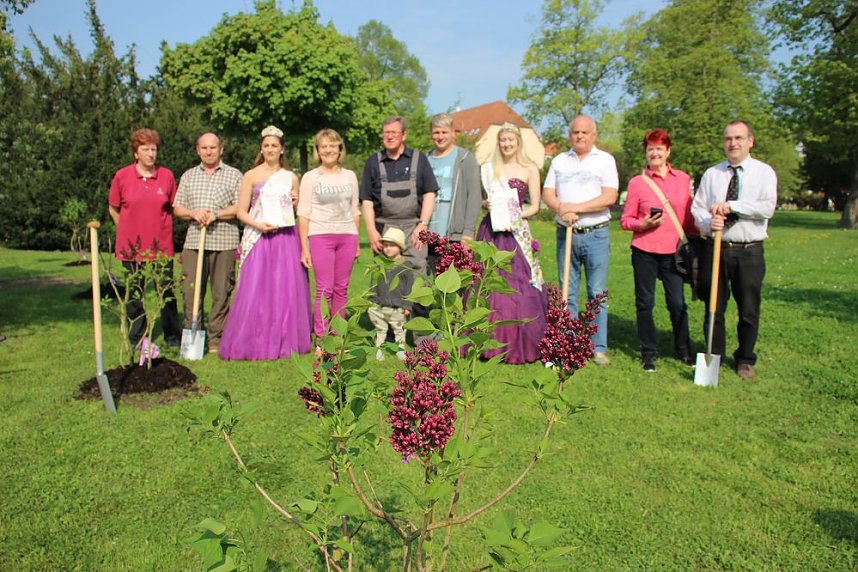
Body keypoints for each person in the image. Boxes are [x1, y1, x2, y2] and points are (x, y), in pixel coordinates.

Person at [692, 120, 777, 380]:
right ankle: (714, 357)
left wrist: (733, 206)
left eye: (739, 138)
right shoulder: (712, 174)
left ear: (750, 141)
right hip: (717, 248)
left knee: (749, 308)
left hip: (749, 250)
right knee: (714, 306)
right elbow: (698, 208)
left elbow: (767, 208)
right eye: (728, 138)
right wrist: (708, 222)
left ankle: (745, 359)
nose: (733, 143)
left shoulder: (764, 173)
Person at [219, 125, 312, 360]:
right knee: (257, 290)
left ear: (282, 149)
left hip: (285, 238)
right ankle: (255, 340)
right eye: (266, 145)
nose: (270, 149)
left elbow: (296, 211)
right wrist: (258, 224)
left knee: (285, 289)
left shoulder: (291, 177)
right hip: (259, 237)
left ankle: (284, 339)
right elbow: (241, 211)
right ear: (261, 149)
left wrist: (294, 202)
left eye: (274, 146)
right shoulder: (250, 175)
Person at [542, 115, 618, 367]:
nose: (580, 136)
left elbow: (609, 196)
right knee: (567, 292)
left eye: (585, 132)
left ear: (594, 135)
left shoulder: (605, 160)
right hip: (566, 232)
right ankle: (570, 343)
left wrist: (576, 207)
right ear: (570, 135)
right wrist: (561, 209)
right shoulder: (559, 161)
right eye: (576, 132)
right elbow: (548, 193)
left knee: (596, 292)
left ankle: (598, 347)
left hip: (596, 233)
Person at [620, 129, 695, 372]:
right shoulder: (637, 183)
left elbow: (688, 216)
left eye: (659, 149)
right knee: (645, 302)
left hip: (674, 251)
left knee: (677, 302)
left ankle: (684, 350)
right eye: (650, 149)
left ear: (668, 151)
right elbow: (625, 220)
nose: (655, 153)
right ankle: (648, 352)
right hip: (645, 250)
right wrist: (641, 224)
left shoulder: (682, 179)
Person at [475, 122, 546, 364]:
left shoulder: (530, 169)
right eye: (503, 140)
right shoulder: (489, 168)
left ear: (518, 142)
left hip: (516, 232)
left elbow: (534, 206)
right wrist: (487, 205)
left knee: (520, 284)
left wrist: (514, 215)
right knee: (489, 281)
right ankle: (487, 342)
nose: (506, 144)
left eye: (510, 140)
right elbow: (484, 200)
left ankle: (520, 340)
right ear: (499, 142)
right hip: (492, 232)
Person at [108, 128, 182, 349]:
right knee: (134, 293)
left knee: (166, 290)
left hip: (161, 246)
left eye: (153, 149)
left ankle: (172, 335)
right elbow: (113, 207)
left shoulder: (166, 176)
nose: (150, 154)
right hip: (131, 248)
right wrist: (125, 229)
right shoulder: (122, 176)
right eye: (145, 149)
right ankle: (136, 338)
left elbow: (174, 207)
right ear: (135, 153)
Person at [172, 132, 242, 355]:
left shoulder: (234, 175)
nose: (209, 151)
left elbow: (240, 207)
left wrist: (216, 214)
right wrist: (193, 213)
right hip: (194, 241)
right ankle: (192, 333)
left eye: (213, 147)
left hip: (224, 241)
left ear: (221, 149)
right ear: (198, 150)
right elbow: (178, 208)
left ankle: (215, 339)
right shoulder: (189, 176)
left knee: (221, 292)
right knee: (190, 291)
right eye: (204, 148)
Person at [297, 129, 360, 343]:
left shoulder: (349, 176)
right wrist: (304, 247)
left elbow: (355, 210)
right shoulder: (311, 177)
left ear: (340, 148)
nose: (328, 150)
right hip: (320, 236)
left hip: (347, 236)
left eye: (332, 145)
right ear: (317, 150)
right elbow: (303, 213)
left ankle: (338, 337)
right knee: (324, 289)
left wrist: (357, 242)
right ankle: (322, 339)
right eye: (323, 146)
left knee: (341, 288)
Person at [360, 116, 438, 274]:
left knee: (416, 276)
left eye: (394, 132)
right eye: (386, 133)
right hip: (384, 232)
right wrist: (371, 230)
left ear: (404, 135)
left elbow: (429, 193)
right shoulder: (373, 162)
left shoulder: (419, 159)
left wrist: (423, 225)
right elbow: (366, 200)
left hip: (414, 230)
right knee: (385, 277)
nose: (390, 136)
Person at [425, 112, 482, 270]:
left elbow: (474, 197)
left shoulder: (465, 158)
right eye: (436, 132)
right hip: (430, 235)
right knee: (429, 280)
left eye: (444, 132)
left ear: (452, 133)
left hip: (455, 235)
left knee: (455, 281)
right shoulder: (425, 159)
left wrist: (468, 231)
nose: (440, 136)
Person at [367, 228, 414, 362]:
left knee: (400, 330)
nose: (388, 249)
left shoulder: (406, 266)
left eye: (392, 245)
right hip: (379, 305)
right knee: (380, 330)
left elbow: (409, 287)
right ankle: (379, 350)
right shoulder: (379, 264)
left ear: (400, 247)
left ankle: (400, 350)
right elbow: (373, 283)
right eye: (386, 245)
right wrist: (371, 299)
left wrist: (407, 305)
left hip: (398, 307)